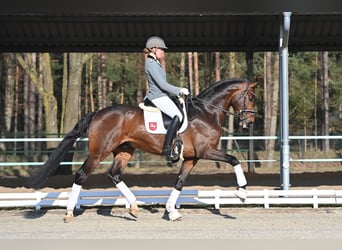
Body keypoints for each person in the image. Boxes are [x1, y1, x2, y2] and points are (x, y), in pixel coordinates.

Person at [143, 36, 189, 161]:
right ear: (154, 49)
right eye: (161, 50)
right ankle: (167, 148)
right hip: (157, 96)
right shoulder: (151, 63)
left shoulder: (155, 63)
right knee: (177, 116)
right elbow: (162, 85)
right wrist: (179, 90)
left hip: (162, 95)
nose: (163, 52)